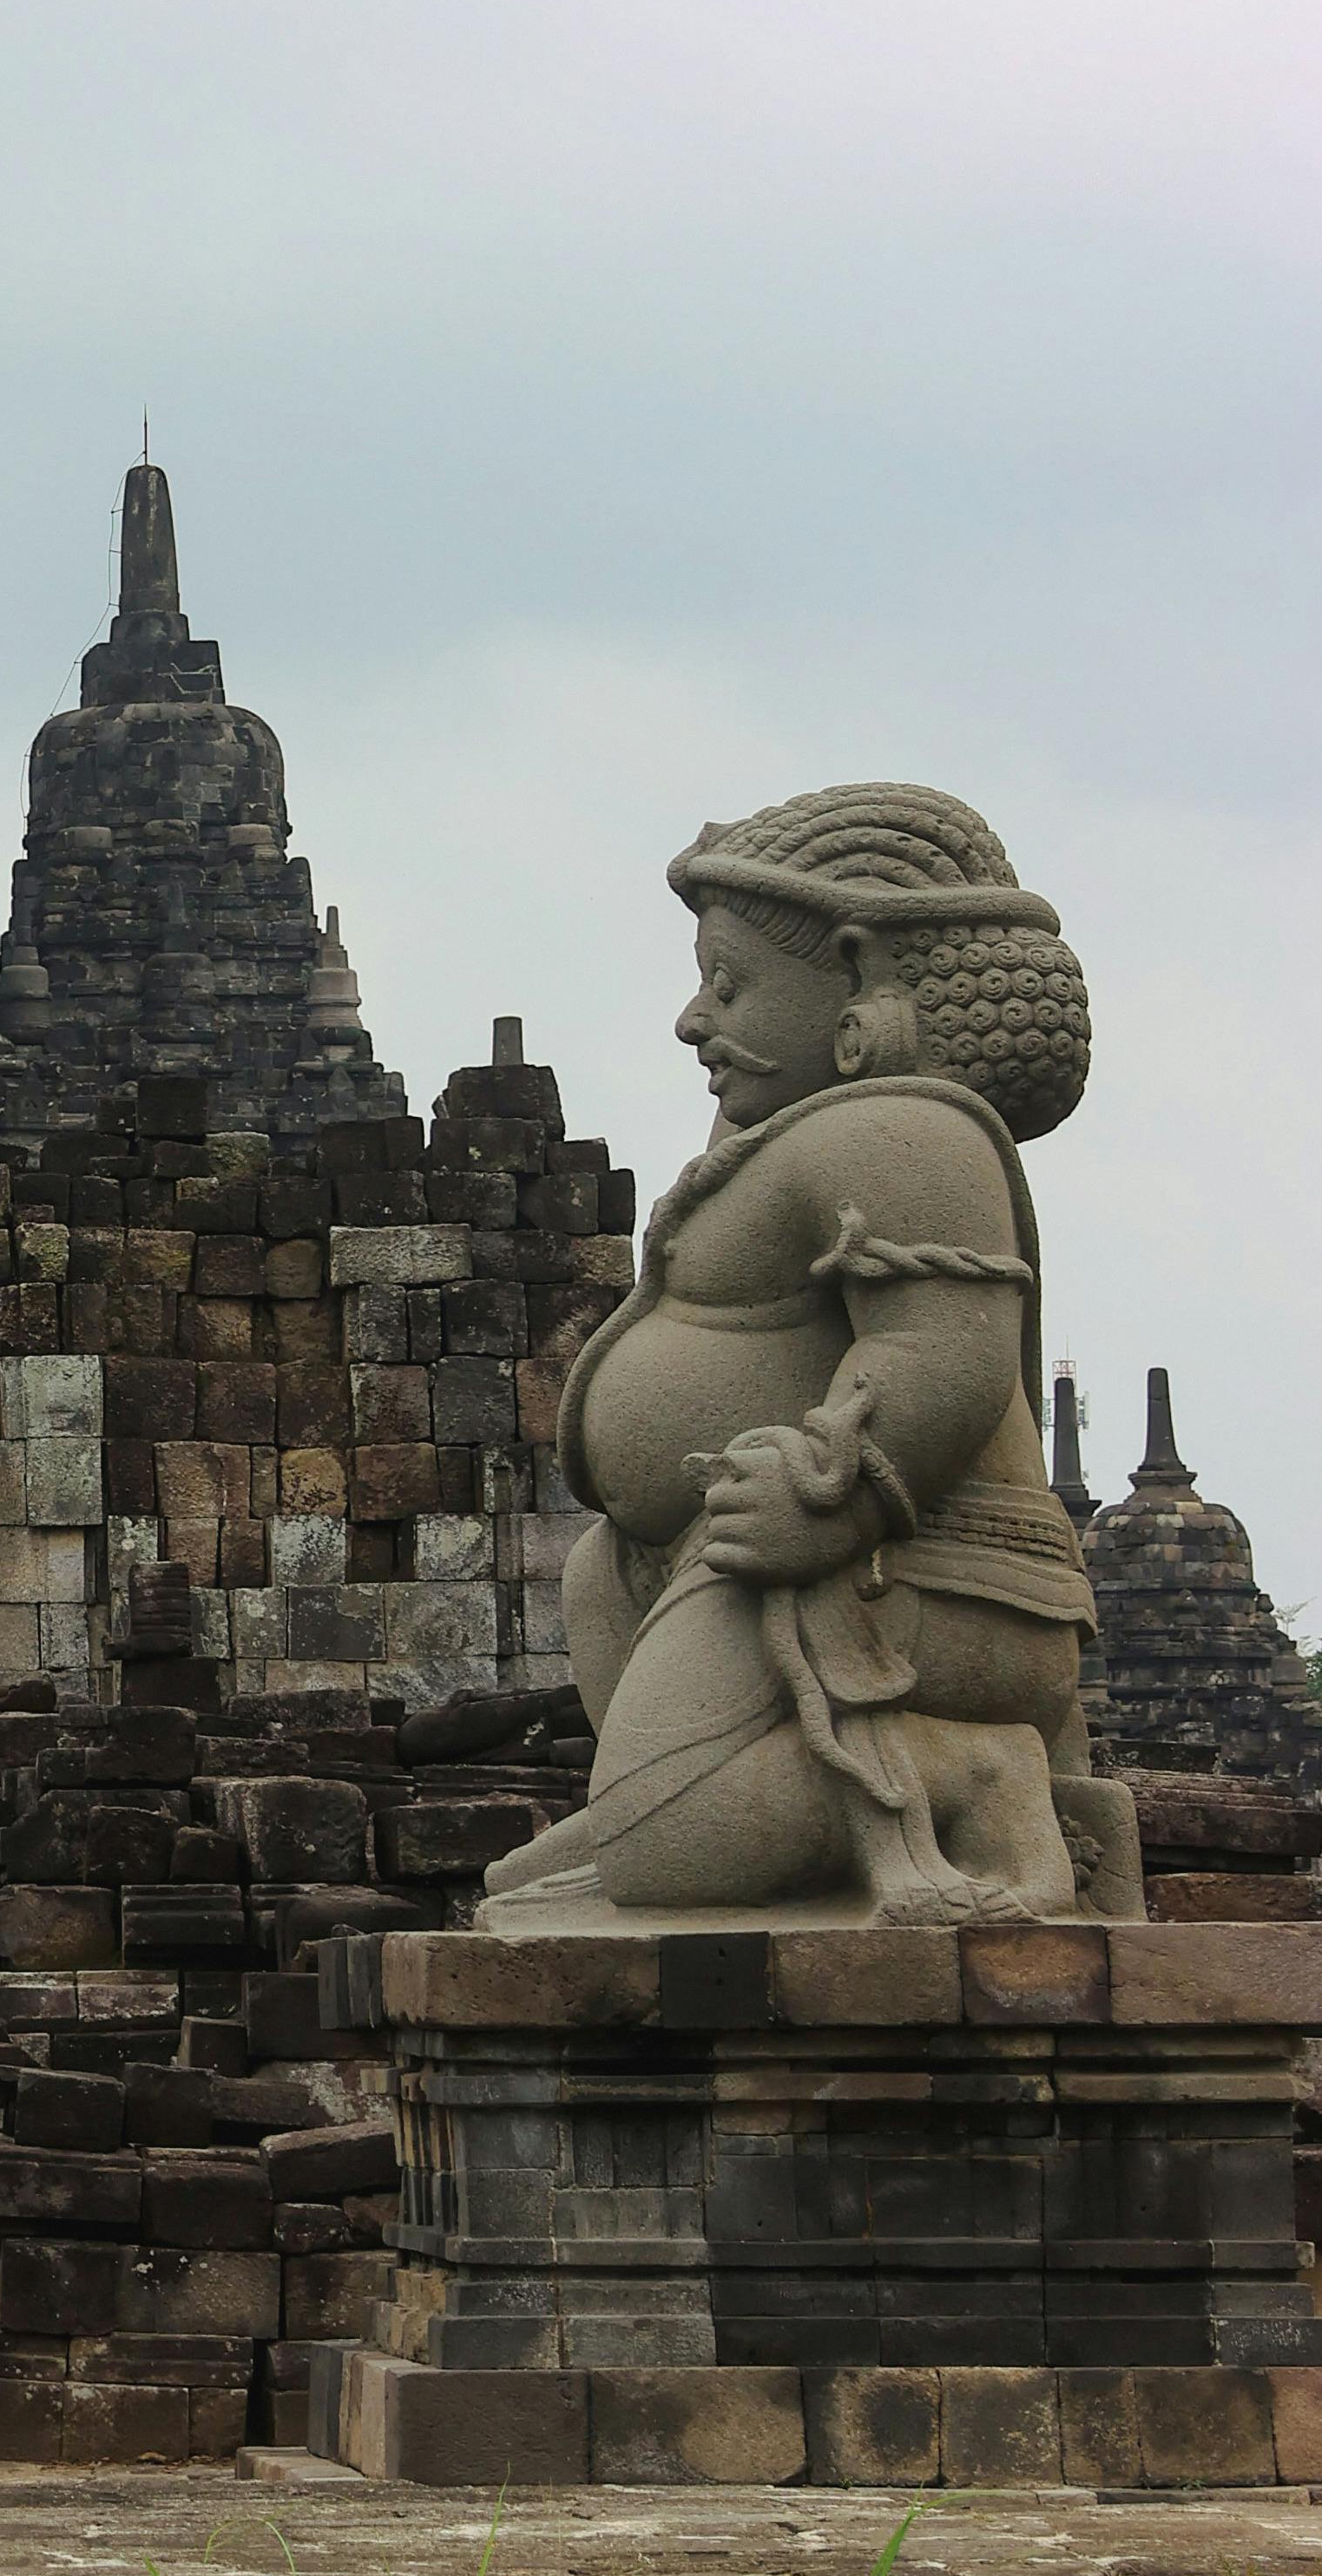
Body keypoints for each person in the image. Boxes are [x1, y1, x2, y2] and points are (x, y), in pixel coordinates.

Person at [482, 782, 1141, 1931]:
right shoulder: (789, 1139)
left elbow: (943, 1349)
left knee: (659, 1844)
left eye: (728, 984)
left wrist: (835, 1499)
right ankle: (691, 1805)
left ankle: (971, 1782)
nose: (693, 1020)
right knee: (597, 1583)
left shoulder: (908, 1134)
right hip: (729, 1559)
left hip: (908, 1574)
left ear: (851, 975)